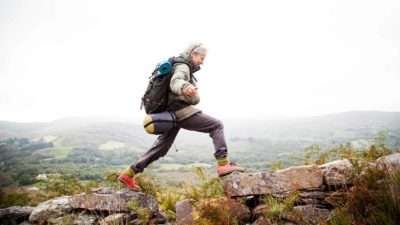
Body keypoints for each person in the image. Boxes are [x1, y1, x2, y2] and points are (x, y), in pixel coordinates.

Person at [119, 43, 245, 191]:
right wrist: (185, 87)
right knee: (216, 125)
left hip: (170, 115)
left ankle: (129, 173)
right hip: (180, 112)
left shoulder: (179, 64)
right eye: (201, 58)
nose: (202, 62)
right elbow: (176, 81)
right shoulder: (183, 66)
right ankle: (223, 164)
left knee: (161, 148)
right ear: (193, 54)